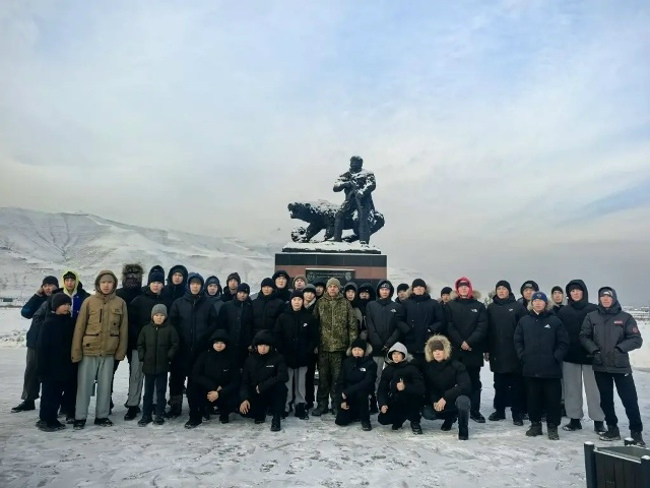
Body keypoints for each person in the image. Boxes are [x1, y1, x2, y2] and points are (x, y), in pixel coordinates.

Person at [580, 287, 645, 446]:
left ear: (614, 298)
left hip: (620, 366)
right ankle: (612, 428)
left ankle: (636, 432)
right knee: (606, 400)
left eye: (608, 296)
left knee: (629, 400)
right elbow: (584, 336)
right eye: (602, 297)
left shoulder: (625, 317)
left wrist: (620, 349)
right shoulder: (592, 317)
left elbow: (636, 339)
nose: (605, 299)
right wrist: (594, 350)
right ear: (599, 299)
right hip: (600, 365)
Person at [72, 270, 128, 429]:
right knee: (84, 386)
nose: (106, 285)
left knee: (105, 386)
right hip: (89, 351)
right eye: (103, 282)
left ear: (114, 284)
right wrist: (76, 351)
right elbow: (79, 328)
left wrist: (120, 351)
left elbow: (123, 329)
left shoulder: (120, 303)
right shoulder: (89, 302)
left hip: (109, 352)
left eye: (109, 282)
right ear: (98, 284)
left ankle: (102, 416)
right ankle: (80, 417)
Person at [514, 291, 569, 440]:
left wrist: (556, 357)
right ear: (531, 303)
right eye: (535, 301)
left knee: (552, 400)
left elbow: (563, 342)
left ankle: (552, 427)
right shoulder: (524, 321)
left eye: (541, 301)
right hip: (531, 368)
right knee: (533, 399)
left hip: (551, 369)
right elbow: (518, 340)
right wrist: (523, 355)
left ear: (546, 303)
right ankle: (535, 425)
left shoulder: (554, 321)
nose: (538, 303)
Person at [166, 273, 218, 418]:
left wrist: (205, 338)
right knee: (176, 379)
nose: (195, 286)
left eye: (198, 284)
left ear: (202, 286)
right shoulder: (178, 303)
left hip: (200, 349)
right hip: (181, 349)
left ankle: (200, 406)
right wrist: (179, 339)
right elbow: (173, 323)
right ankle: (175, 406)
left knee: (198, 379)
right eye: (192, 283)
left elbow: (213, 323)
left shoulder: (208, 304)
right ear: (188, 285)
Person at [557, 280, 605, 434]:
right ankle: (574, 419)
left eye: (578, 290)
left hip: (590, 357)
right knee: (572, 390)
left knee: (594, 391)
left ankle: (598, 421)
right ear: (569, 294)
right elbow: (559, 333)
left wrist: (598, 351)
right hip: (570, 356)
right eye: (572, 291)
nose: (575, 293)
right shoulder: (564, 312)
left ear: (584, 292)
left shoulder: (594, 309)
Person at [123, 267, 168, 421]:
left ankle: (155, 404)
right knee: (136, 376)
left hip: (159, 348)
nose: (156, 285)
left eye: (159, 282)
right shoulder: (138, 300)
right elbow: (131, 323)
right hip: (140, 347)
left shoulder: (166, 302)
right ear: (149, 283)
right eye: (153, 282)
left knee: (156, 377)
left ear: (163, 285)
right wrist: (140, 340)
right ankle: (133, 405)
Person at [12, 275, 59, 413]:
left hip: (51, 343)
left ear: (57, 286)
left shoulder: (59, 299)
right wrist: (37, 295)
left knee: (51, 374)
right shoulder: (39, 300)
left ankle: (52, 403)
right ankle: (29, 400)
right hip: (34, 342)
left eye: (51, 285)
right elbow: (25, 312)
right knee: (31, 371)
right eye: (45, 286)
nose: (48, 288)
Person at [312, 278, 358, 416]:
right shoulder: (320, 303)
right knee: (323, 379)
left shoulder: (345, 303)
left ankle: (336, 405)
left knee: (337, 379)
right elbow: (314, 324)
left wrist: (351, 346)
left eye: (335, 286)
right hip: (323, 348)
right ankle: (322, 405)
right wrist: (315, 344)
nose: (332, 288)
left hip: (339, 349)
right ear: (327, 288)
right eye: (330, 286)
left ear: (339, 289)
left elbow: (352, 326)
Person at [446, 277, 488, 423]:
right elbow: (449, 326)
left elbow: (482, 326)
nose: (463, 288)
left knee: (474, 382)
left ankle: (474, 411)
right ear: (457, 289)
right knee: (454, 382)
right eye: (461, 286)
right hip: (456, 351)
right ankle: (454, 411)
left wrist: (469, 342)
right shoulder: (450, 306)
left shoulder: (479, 306)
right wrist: (460, 342)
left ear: (470, 288)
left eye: (466, 286)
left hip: (473, 351)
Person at [485, 280, 527, 425]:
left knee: (516, 385)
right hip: (497, 351)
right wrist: (487, 349)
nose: (501, 291)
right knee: (499, 384)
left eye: (504, 289)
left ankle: (517, 414)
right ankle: (499, 411)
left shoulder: (518, 307)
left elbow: (524, 329)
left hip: (514, 352)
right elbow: (487, 330)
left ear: (509, 291)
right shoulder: (491, 308)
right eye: (499, 289)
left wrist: (523, 349)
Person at [274, 290, 318, 419]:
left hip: (303, 356)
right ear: (290, 301)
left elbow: (314, 337)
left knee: (301, 383)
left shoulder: (309, 317)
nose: (297, 302)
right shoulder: (283, 317)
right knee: (287, 382)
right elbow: (277, 335)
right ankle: (286, 406)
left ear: (303, 301)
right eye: (294, 300)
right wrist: (282, 351)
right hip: (287, 356)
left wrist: (308, 350)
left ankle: (300, 406)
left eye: (299, 299)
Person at [365, 280, 407, 414]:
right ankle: (374, 402)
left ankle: (391, 402)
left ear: (390, 291)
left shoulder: (397, 307)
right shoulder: (371, 305)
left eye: (387, 289)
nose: (384, 291)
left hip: (392, 348)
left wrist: (389, 343)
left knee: (392, 376)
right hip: (376, 347)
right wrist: (377, 342)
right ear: (378, 291)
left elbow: (399, 327)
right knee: (375, 376)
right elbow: (370, 325)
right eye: (382, 289)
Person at [36, 293, 75, 432]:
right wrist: (42, 369)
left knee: (57, 395)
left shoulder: (69, 322)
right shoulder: (49, 323)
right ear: (55, 306)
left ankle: (52, 418)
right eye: (64, 304)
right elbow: (42, 348)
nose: (67, 307)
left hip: (64, 366)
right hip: (50, 367)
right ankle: (45, 420)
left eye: (69, 304)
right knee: (49, 395)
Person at [186, 329, 240, 428]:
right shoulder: (204, 356)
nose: (219, 345)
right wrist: (214, 386)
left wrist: (220, 392)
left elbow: (235, 381)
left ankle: (225, 413)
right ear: (212, 343)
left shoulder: (231, 358)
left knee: (233, 395)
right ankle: (195, 417)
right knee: (193, 387)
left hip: (224, 392)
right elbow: (195, 374)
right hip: (207, 389)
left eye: (222, 343)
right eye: (216, 343)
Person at [136, 304, 179, 426]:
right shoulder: (146, 329)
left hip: (162, 366)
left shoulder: (170, 329)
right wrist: (142, 356)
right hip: (148, 366)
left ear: (165, 317)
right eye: (156, 315)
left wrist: (169, 356)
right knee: (148, 392)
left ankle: (159, 414)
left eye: (161, 315)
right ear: (152, 316)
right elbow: (140, 344)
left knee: (161, 391)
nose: (159, 317)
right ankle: (146, 415)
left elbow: (175, 344)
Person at [422, 335, 472, 440]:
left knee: (463, 401)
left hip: (454, 399)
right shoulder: (429, 367)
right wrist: (434, 400)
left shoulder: (456, 365)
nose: (437, 353)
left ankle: (463, 429)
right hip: (439, 401)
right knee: (427, 413)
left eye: (440, 350)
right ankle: (450, 418)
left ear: (446, 350)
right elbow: (429, 387)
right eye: (434, 350)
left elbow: (465, 385)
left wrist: (445, 398)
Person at [239, 330, 289, 432]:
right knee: (246, 413)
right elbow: (244, 382)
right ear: (256, 346)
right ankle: (260, 412)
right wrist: (244, 398)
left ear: (270, 346)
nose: (263, 348)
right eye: (260, 345)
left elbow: (283, 376)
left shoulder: (278, 358)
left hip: (271, 392)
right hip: (256, 393)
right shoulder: (250, 360)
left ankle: (276, 417)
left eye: (266, 345)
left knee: (281, 387)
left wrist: (263, 385)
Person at [377, 342, 425, 434]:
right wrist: (382, 404)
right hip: (395, 399)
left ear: (403, 355)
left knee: (413, 399)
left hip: (410, 399)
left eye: (399, 354)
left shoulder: (412, 368)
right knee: (383, 419)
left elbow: (421, 388)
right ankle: (398, 420)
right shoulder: (388, 370)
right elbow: (382, 389)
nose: (396, 356)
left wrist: (405, 387)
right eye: (394, 354)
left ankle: (415, 421)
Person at [335, 337, 377, 431]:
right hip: (347, 393)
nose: (357, 352)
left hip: (363, 392)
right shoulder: (346, 362)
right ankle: (353, 414)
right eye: (355, 350)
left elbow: (367, 382)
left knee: (362, 393)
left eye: (359, 350)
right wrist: (342, 400)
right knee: (341, 421)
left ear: (364, 351)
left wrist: (347, 391)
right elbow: (340, 381)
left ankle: (365, 420)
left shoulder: (371, 364)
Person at [402, 278, 445, 366]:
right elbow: (399, 320)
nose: (419, 288)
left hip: (428, 343)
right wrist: (407, 330)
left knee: (428, 370)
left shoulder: (434, 304)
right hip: (411, 343)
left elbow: (441, 321)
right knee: (412, 370)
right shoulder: (406, 304)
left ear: (425, 289)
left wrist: (431, 329)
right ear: (412, 289)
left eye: (421, 286)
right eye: (416, 286)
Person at [218, 283, 254, 368]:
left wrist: (250, 343)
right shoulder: (227, 306)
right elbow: (221, 325)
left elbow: (250, 327)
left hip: (243, 345)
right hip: (228, 344)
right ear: (237, 293)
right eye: (240, 292)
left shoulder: (250, 308)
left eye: (245, 293)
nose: (242, 295)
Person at [302, 284, 319, 410]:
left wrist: (313, 346)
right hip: (298, 348)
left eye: (312, 293)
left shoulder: (317, 307)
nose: (309, 295)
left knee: (309, 375)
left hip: (311, 348)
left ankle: (309, 400)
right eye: (307, 292)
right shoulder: (297, 305)